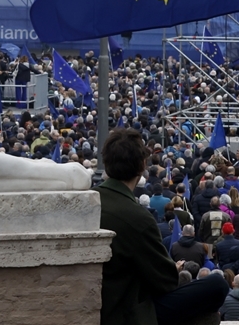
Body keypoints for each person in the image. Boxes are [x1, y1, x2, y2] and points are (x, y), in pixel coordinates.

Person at [97, 128, 227, 325]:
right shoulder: (138, 218)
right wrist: (173, 268)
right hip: (128, 308)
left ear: (106, 163)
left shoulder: (89, 201)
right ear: (142, 166)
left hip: (103, 299)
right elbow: (165, 281)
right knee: (217, 284)